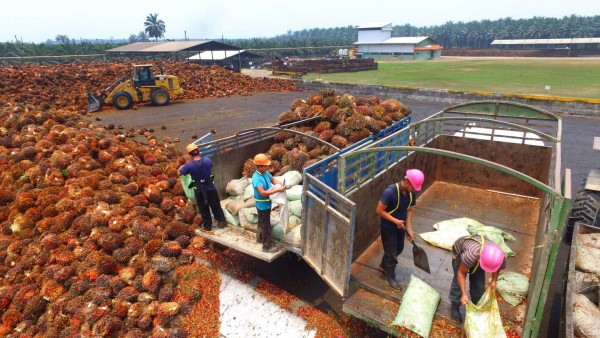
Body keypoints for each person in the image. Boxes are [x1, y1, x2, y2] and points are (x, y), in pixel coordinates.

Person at [376, 169, 425, 290]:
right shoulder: (390, 192)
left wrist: (409, 229)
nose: (414, 189)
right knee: (392, 253)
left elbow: (409, 211)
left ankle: (384, 265)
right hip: (388, 227)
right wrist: (395, 221)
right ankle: (390, 276)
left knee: (399, 248)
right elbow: (379, 211)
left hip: (400, 226)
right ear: (407, 182)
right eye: (413, 186)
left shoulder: (410, 193)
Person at [449, 235, 506, 323]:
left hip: (480, 256)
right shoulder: (471, 254)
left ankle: (477, 306)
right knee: (458, 284)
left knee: (478, 283)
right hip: (460, 253)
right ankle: (455, 306)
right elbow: (461, 273)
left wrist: (494, 280)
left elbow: (497, 267)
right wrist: (464, 294)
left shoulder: (501, 256)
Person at [178, 143, 226, 231]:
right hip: (211, 188)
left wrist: (182, 166)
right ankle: (221, 221)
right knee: (216, 205)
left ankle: (207, 226)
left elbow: (180, 173)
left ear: (189, 154)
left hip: (199, 190)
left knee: (203, 209)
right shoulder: (207, 160)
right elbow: (210, 166)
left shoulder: (189, 166)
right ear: (198, 151)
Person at [252, 153, 285, 253]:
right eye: (265, 166)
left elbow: (272, 179)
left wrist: (279, 184)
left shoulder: (265, 173)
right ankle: (266, 246)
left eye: (267, 165)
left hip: (267, 204)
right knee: (266, 226)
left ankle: (259, 238)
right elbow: (262, 192)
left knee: (261, 222)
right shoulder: (256, 178)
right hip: (262, 205)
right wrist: (278, 191)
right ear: (259, 166)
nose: (267, 167)